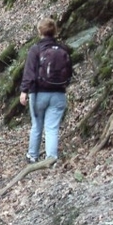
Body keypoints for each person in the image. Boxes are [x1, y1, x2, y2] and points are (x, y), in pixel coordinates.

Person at [19, 18, 72, 163]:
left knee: (37, 126)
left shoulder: (35, 49)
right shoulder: (63, 49)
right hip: (59, 94)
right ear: (55, 31)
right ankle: (51, 160)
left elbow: (29, 73)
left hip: (38, 94)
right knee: (52, 128)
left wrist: (24, 91)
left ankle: (33, 156)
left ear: (39, 31)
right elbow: (69, 71)